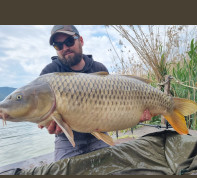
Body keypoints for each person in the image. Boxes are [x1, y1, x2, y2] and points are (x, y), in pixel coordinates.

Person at [39, 25, 152, 162]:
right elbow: (41, 112)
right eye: (58, 46)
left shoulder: (99, 68)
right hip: (67, 141)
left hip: (99, 135)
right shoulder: (49, 74)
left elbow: (114, 110)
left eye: (69, 41)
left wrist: (135, 115)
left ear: (81, 40)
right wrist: (50, 125)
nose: (65, 48)